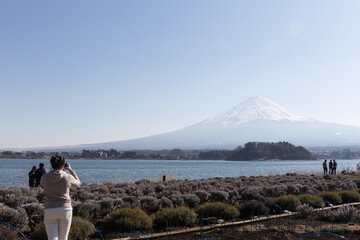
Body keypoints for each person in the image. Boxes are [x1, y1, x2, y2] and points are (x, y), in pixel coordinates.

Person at [40, 155, 81, 240]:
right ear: (63, 165)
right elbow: (78, 184)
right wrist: (70, 170)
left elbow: (41, 184)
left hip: (49, 209)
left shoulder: (45, 177)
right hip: (65, 209)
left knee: (52, 237)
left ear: (51, 164)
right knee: (64, 237)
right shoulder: (68, 177)